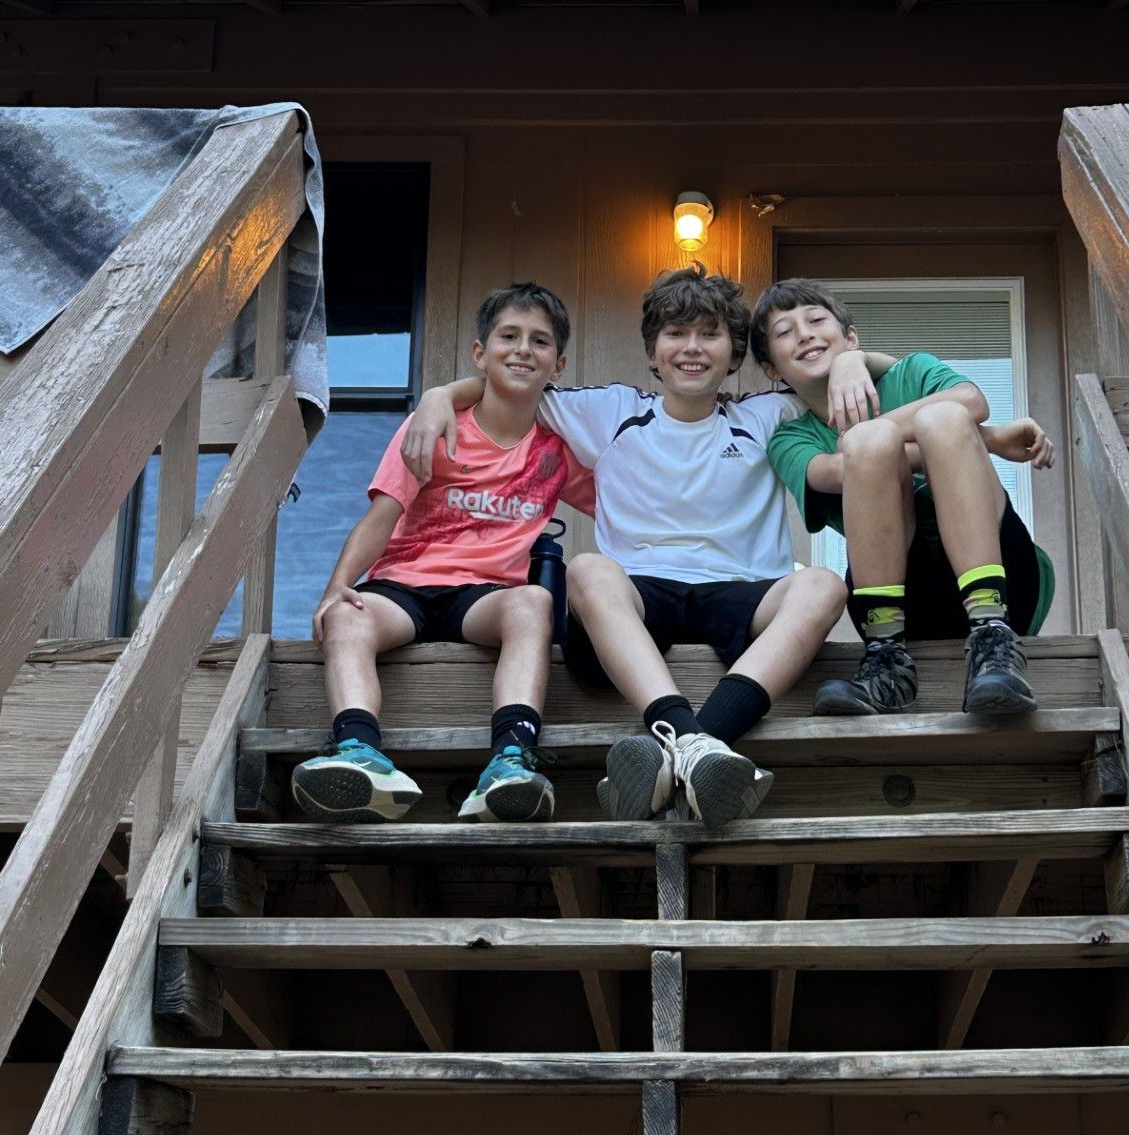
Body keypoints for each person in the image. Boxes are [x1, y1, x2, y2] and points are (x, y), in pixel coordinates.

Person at [401, 265, 884, 826]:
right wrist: (440, 395)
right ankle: (692, 737)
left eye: (710, 334)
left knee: (822, 583)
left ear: (734, 356)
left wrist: (851, 357)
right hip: (636, 601)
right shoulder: (608, 411)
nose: (692, 349)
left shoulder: (768, 413)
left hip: (742, 592)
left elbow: (830, 374)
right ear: (652, 353)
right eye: (675, 334)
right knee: (587, 569)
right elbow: (511, 381)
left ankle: (689, 743)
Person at [291, 283, 594, 826]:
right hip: (404, 587)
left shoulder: (558, 451)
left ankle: (510, 759)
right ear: (481, 353)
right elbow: (382, 516)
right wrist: (337, 585)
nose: (523, 349)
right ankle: (359, 753)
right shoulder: (434, 426)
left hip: (483, 598)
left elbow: (628, 502)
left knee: (533, 602)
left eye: (540, 341)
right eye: (509, 336)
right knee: (346, 615)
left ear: (558, 363)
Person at [751, 278, 1055, 718]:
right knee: (868, 446)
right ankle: (886, 662)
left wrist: (859, 367)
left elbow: (971, 401)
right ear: (772, 369)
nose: (804, 334)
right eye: (784, 332)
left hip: (1004, 579)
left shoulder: (911, 372)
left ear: (850, 337)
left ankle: (993, 637)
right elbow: (840, 469)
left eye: (817, 320)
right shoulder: (791, 438)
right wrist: (985, 440)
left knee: (946, 416)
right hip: (901, 601)